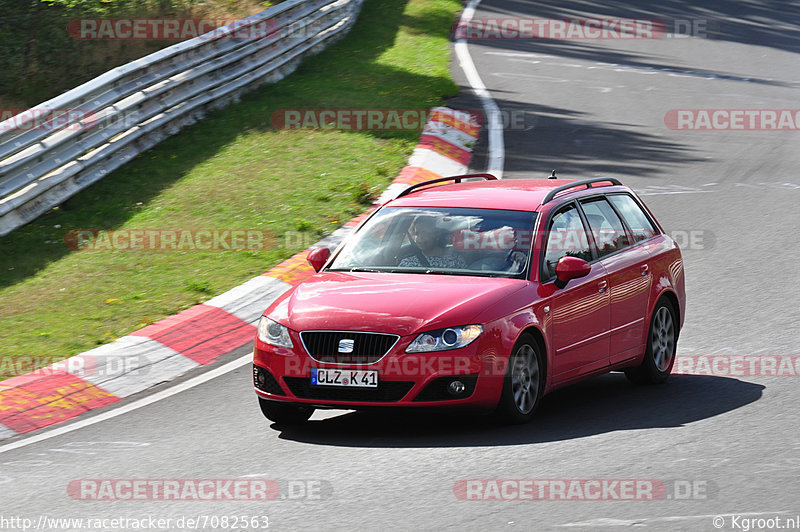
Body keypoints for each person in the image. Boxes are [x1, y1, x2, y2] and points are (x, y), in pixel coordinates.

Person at [399, 215, 468, 269]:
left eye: (424, 233)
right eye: (417, 234)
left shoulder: (455, 261)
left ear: (436, 234)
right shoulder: (408, 263)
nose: (419, 238)